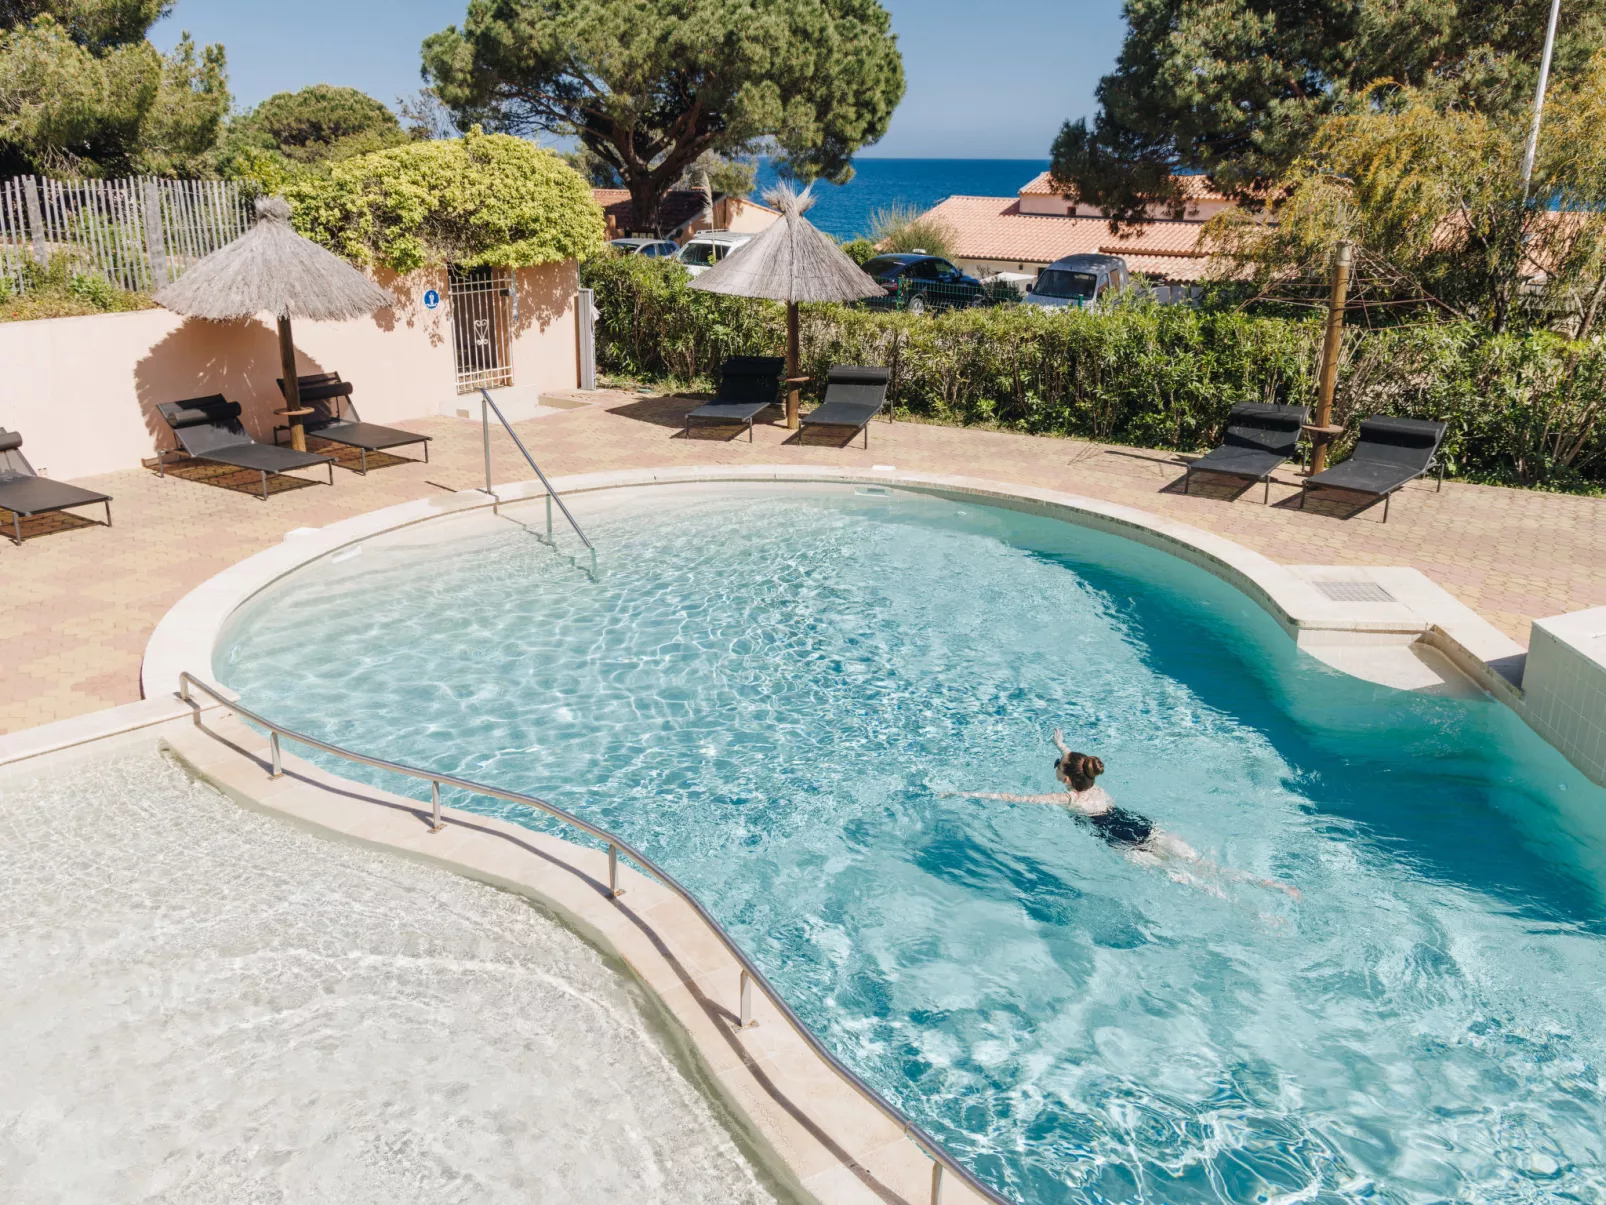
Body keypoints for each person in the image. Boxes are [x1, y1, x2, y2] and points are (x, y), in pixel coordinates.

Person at [945, 729, 1300, 900]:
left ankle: (1257, 915)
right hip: (1144, 828)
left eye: (1059, 767)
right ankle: (1275, 885)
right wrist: (1062, 745)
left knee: (1191, 882)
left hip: (1122, 845)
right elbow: (1079, 761)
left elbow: (1012, 797)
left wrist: (964, 793)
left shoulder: (1067, 799)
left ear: (1066, 779)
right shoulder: (1095, 783)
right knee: (1208, 868)